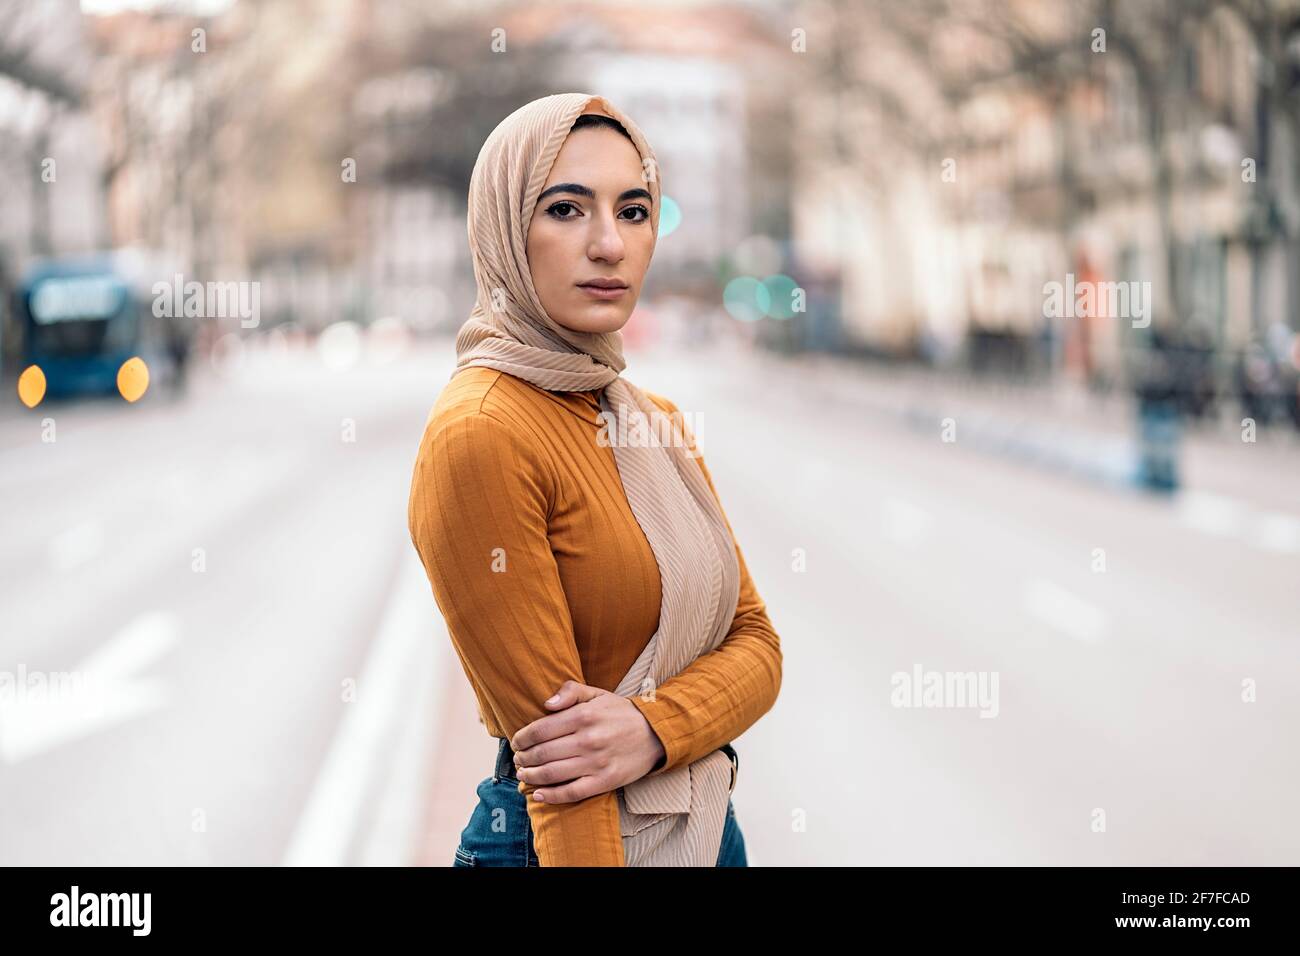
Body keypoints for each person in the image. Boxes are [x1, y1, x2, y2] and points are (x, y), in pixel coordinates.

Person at [406, 93, 782, 867]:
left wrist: (653, 728)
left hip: (703, 824)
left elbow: (759, 646)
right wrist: (673, 725)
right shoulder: (482, 432)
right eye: (567, 209)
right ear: (506, 227)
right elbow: (565, 774)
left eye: (635, 211)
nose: (610, 244)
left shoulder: (656, 421)